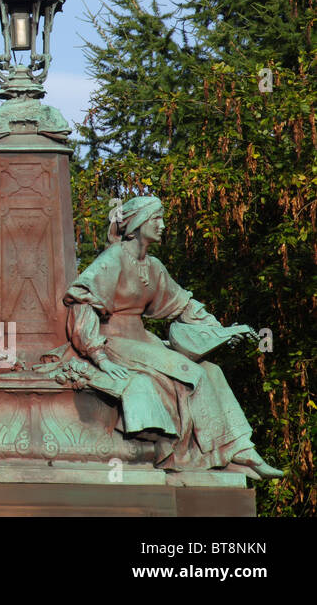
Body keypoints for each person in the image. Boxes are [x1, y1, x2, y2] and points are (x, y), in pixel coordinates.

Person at [59, 195, 282, 480]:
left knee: (211, 371)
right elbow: (83, 302)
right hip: (113, 341)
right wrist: (99, 358)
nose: (163, 225)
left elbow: (183, 305)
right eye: (157, 219)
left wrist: (222, 332)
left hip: (142, 339)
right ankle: (221, 453)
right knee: (192, 374)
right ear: (138, 224)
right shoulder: (112, 259)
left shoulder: (154, 266)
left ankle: (241, 448)